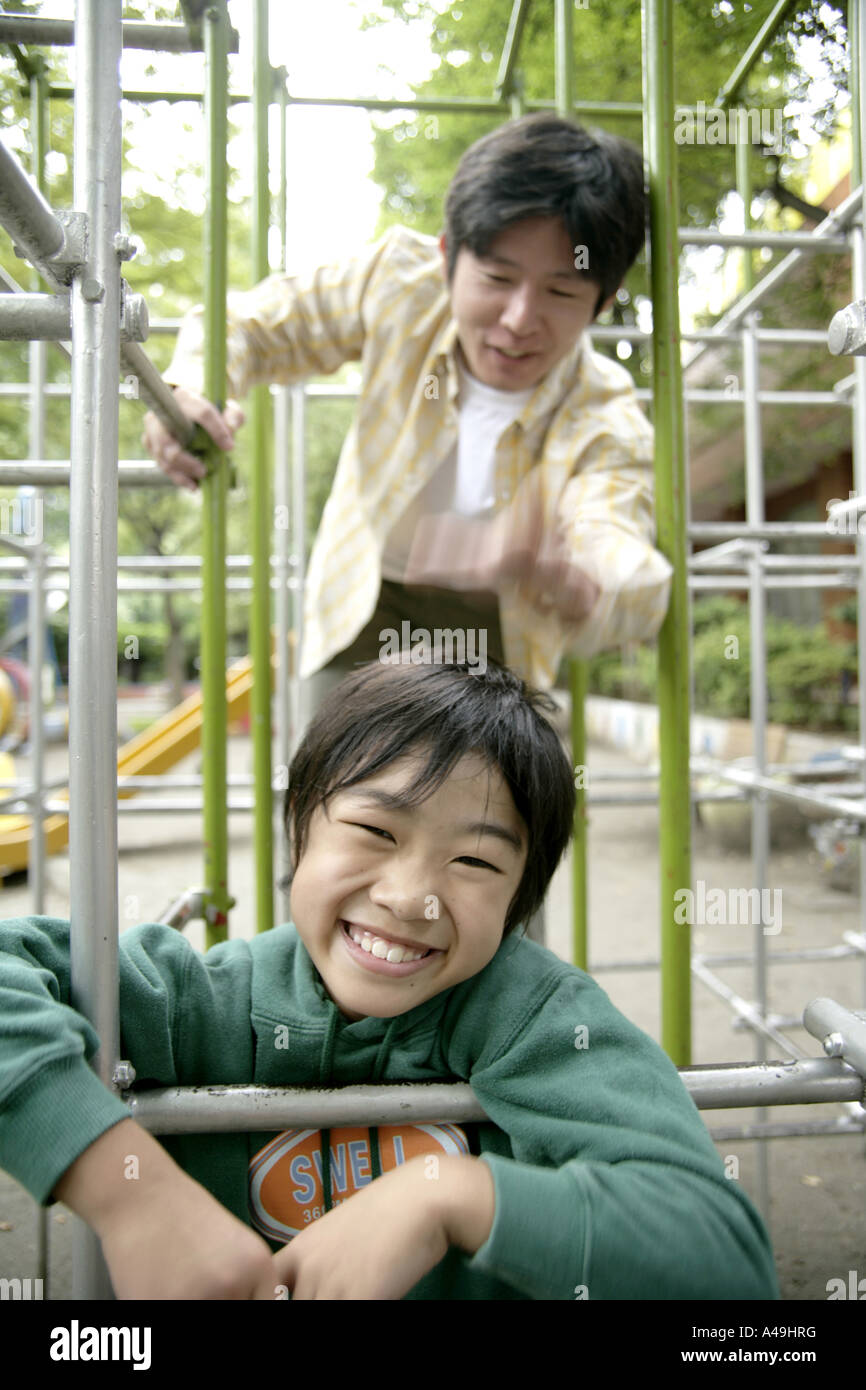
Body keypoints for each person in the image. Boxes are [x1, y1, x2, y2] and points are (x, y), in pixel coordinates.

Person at [0, 660, 778, 1300]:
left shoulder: (542, 1020)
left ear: (520, 901)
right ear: (301, 829)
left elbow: (723, 1261)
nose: (411, 898)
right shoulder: (197, 1000)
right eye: (375, 830)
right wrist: (130, 1194)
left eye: (473, 861)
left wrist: (448, 1195)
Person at [144, 113, 673, 705]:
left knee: (502, 764)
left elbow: (621, 554)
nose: (519, 319)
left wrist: (574, 581)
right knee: (336, 759)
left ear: (603, 301)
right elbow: (250, 324)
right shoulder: (399, 281)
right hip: (365, 597)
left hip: (500, 626)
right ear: (447, 256)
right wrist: (193, 390)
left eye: (560, 291)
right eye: (497, 278)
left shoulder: (605, 411)